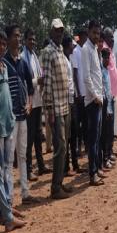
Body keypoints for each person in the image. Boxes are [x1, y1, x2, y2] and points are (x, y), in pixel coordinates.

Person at [3, 24, 37, 204]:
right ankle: (9, 199)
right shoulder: (4, 62)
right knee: (9, 160)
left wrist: (30, 104)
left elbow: (31, 87)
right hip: (9, 120)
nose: (18, 39)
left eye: (18, 36)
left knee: (23, 155)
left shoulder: (22, 62)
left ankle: (25, 193)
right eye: (14, 36)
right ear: (7, 39)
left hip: (23, 117)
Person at [41, 18, 72, 199]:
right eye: (57, 31)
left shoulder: (61, 51)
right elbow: (46, 83)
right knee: (59, 148)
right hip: (55, 108)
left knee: (64, 146)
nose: (59, 33)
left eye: (61, 31)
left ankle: (59, 183)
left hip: (64, 104)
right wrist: (50, 110)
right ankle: (55, 188)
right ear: (51, 32)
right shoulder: (47, 52)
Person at [0, 30, 26, 231]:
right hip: (1, 127)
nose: (1, 46)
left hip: (8, 123)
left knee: (8, 168)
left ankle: (7, 206)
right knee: (1, 172)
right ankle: (7, 217)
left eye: (2, 43)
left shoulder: (3, 66)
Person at [21, 29, 51, 182]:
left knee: (38, 135)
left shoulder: (33, 56)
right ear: (25, 41)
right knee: (30, 136)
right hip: (29, 101)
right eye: (30, 39)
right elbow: (24, 81)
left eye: (34, 39)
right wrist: (36, 81)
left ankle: (41, 165)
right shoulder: (23, 57)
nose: (32, 42)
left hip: (38, 100)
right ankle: (28, 170)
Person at [82, 20, 105, 186]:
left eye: (98, 33)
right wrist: (96, 96)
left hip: (99, 99)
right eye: (94, 33)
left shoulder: (95, 49)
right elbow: (86, 77)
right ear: (89, 32)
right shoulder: (85, 49)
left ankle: (97, 169)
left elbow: (97, 75)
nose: (97, 36)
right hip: (92, 101)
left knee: (97, 137)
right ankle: (92, 174)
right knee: (92, 139)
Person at [63, 36, 84, 176]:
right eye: (72, 45)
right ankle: (66, 167)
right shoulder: (63, 61)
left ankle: (75, 164)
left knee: (75, 133)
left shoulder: (69, 60)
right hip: (67, 102)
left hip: (72, 100)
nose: (74, 47)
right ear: (67, 46)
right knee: (68, 136)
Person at [102, 28, 117, 149]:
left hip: (113, 91)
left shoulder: (111, 50)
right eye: (110, 37)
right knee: (107, 124)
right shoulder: (104, 50)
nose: (112, 39)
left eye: (113, 37)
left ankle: (110, 150)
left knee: (112, 122)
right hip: (108, 93)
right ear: (105, 38)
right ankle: (108, 152)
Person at [71, 28, 88, 157]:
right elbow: (75, 72)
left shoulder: (85, 51)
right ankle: (78, 148)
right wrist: (77, 92)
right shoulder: (76, 51)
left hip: (86, 93)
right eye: (85, 36)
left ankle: (85, 146)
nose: (86, 39)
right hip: (79, 94)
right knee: (78, 124)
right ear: (81, 37)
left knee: (85, 122)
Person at [100, 48, 114, 170]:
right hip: (104, 106)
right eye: (105, 57)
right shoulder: (100, 71)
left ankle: (108, 155)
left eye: (108, 58)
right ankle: (105, 159)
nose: (107, 60)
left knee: (109, 133)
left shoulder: (107, 70)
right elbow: (103, 90)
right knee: (104, 134)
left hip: (109, 105)